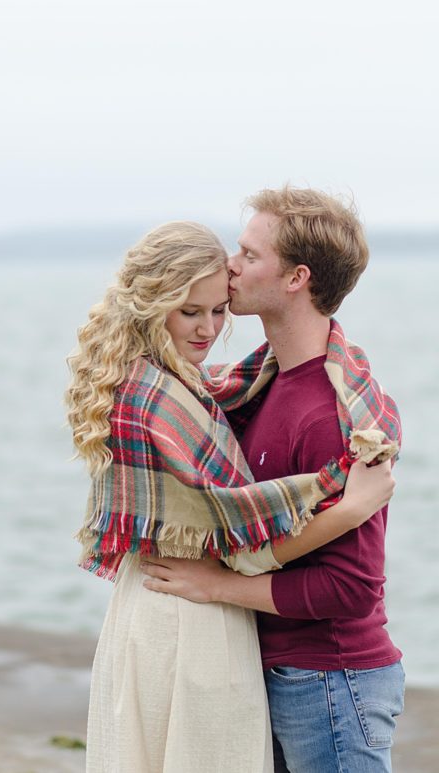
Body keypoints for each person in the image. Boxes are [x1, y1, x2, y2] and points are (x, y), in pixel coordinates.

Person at [66, 221, 397, 772]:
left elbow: (344, 580)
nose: (207, 328)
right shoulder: (156, 398)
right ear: (152, 306)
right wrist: (351, 504)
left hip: (199, 611)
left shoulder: (219, 388)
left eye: (215, 310)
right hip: (186, 611)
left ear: (297, 277)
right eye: (189, 311)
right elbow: (236, 530)